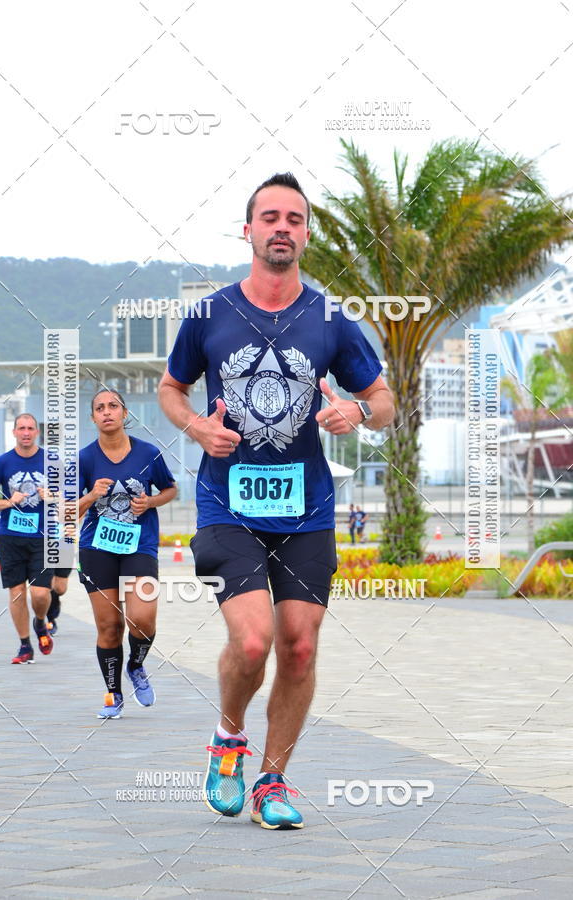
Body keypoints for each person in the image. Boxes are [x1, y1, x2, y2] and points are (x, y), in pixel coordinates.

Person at [159, 172, 394, 829]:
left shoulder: (330, 320)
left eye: (294, 218)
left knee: (298, 646)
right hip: (226, 505)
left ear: (306, 234)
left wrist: (356, 410)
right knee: (255, 639)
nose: (282, 227)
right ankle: (229, 736)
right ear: (249, 230)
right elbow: (171, 388)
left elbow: (383, 401)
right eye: (270, 217)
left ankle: (272, 781)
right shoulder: (209, 314)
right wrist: (196, 426)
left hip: (308, 510)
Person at [77, 388, 177, 719]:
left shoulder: (148, 452)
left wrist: (149, 502)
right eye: (100, 408)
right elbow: (66, 512)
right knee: (109, 626)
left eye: (113, 406)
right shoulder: (85, 458)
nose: (107, 412)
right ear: (93, 417)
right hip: (97, 548)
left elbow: (170, 489)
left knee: (143, 618)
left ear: (125, 413)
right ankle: (113, 694)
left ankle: (136, 665)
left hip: (139, 545)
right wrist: (91, 495)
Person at [0, 413, 55, 663]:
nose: (26, 432)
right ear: (14, 432)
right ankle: (25, 646)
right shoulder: (3, 463)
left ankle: (40, 622)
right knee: (17, 593)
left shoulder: (52, 461)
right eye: (21, 428)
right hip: (11, 537)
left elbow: (71, 501)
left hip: (43, 537)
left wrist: (51, 496)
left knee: (40, 594)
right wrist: (9, 501)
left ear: (37, 432)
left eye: (30, 428)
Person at [46, 569, 71, 635]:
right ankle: (50, 619)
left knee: (60, 589)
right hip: (43, 558)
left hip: (64, 558)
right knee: (49, 582)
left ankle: (55, 602)